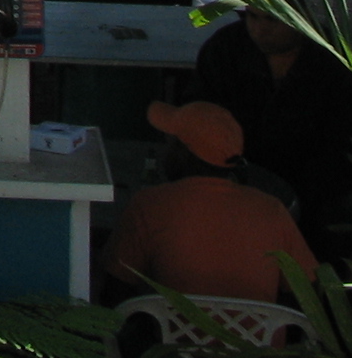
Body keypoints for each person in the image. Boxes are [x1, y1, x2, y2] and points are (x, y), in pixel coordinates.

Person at [195, 5, 352, 253]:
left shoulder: (335, 59)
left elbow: (347, 144)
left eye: (272, 20)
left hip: (317, 187)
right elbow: (201, 114)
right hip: (236, 177)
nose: (260, 29)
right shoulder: (226, 48)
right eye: (252, 17)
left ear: (299, 16)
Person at [101, 100, 317, 303]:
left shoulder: (149, 204)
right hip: (257, 333)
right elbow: (309, 292)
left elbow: (115, 290)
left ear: (183, 152)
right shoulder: (272, 210)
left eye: (171, 142)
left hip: (171, 332)